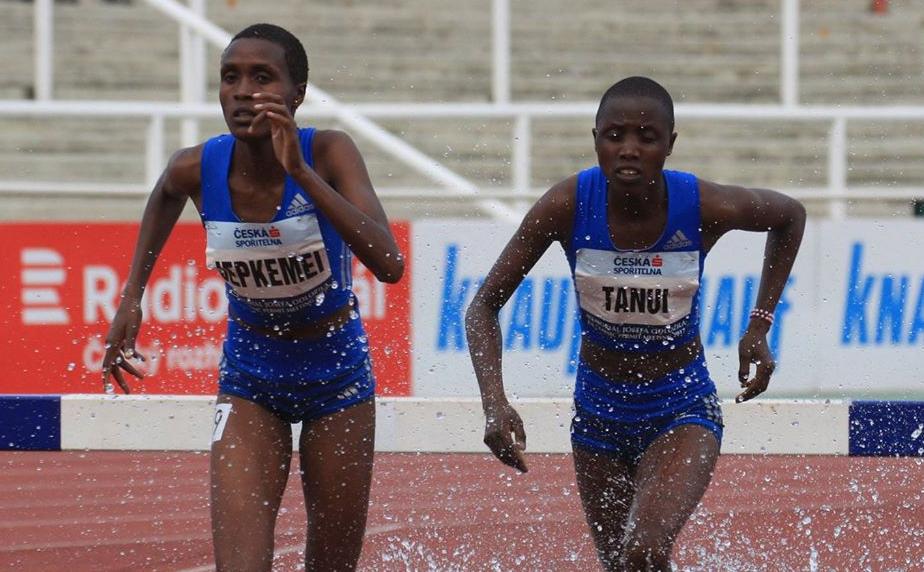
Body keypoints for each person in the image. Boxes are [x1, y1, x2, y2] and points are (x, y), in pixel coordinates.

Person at [465, 76, 805, 570]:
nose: (628, 150)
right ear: (596, 139)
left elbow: (789, 216)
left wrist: (759, 324)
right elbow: (482, 308)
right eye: (614, 135)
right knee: (620, 563)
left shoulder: (701, 204)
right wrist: (494, 404)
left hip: (680, 405)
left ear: (670, 144)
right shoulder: (566, 205)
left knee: (645, 548)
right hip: (599, 412)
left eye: (646, 138)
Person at [101, 23, 404, 571]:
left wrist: (302, 174)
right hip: (250, 375)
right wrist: (132, 297)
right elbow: (166, 192)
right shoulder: (198, 166)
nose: (242, 91)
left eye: (262, 78)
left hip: (336, 374)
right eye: (230, 78)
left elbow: (390, 263)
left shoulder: (330, 151)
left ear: (297, 95)